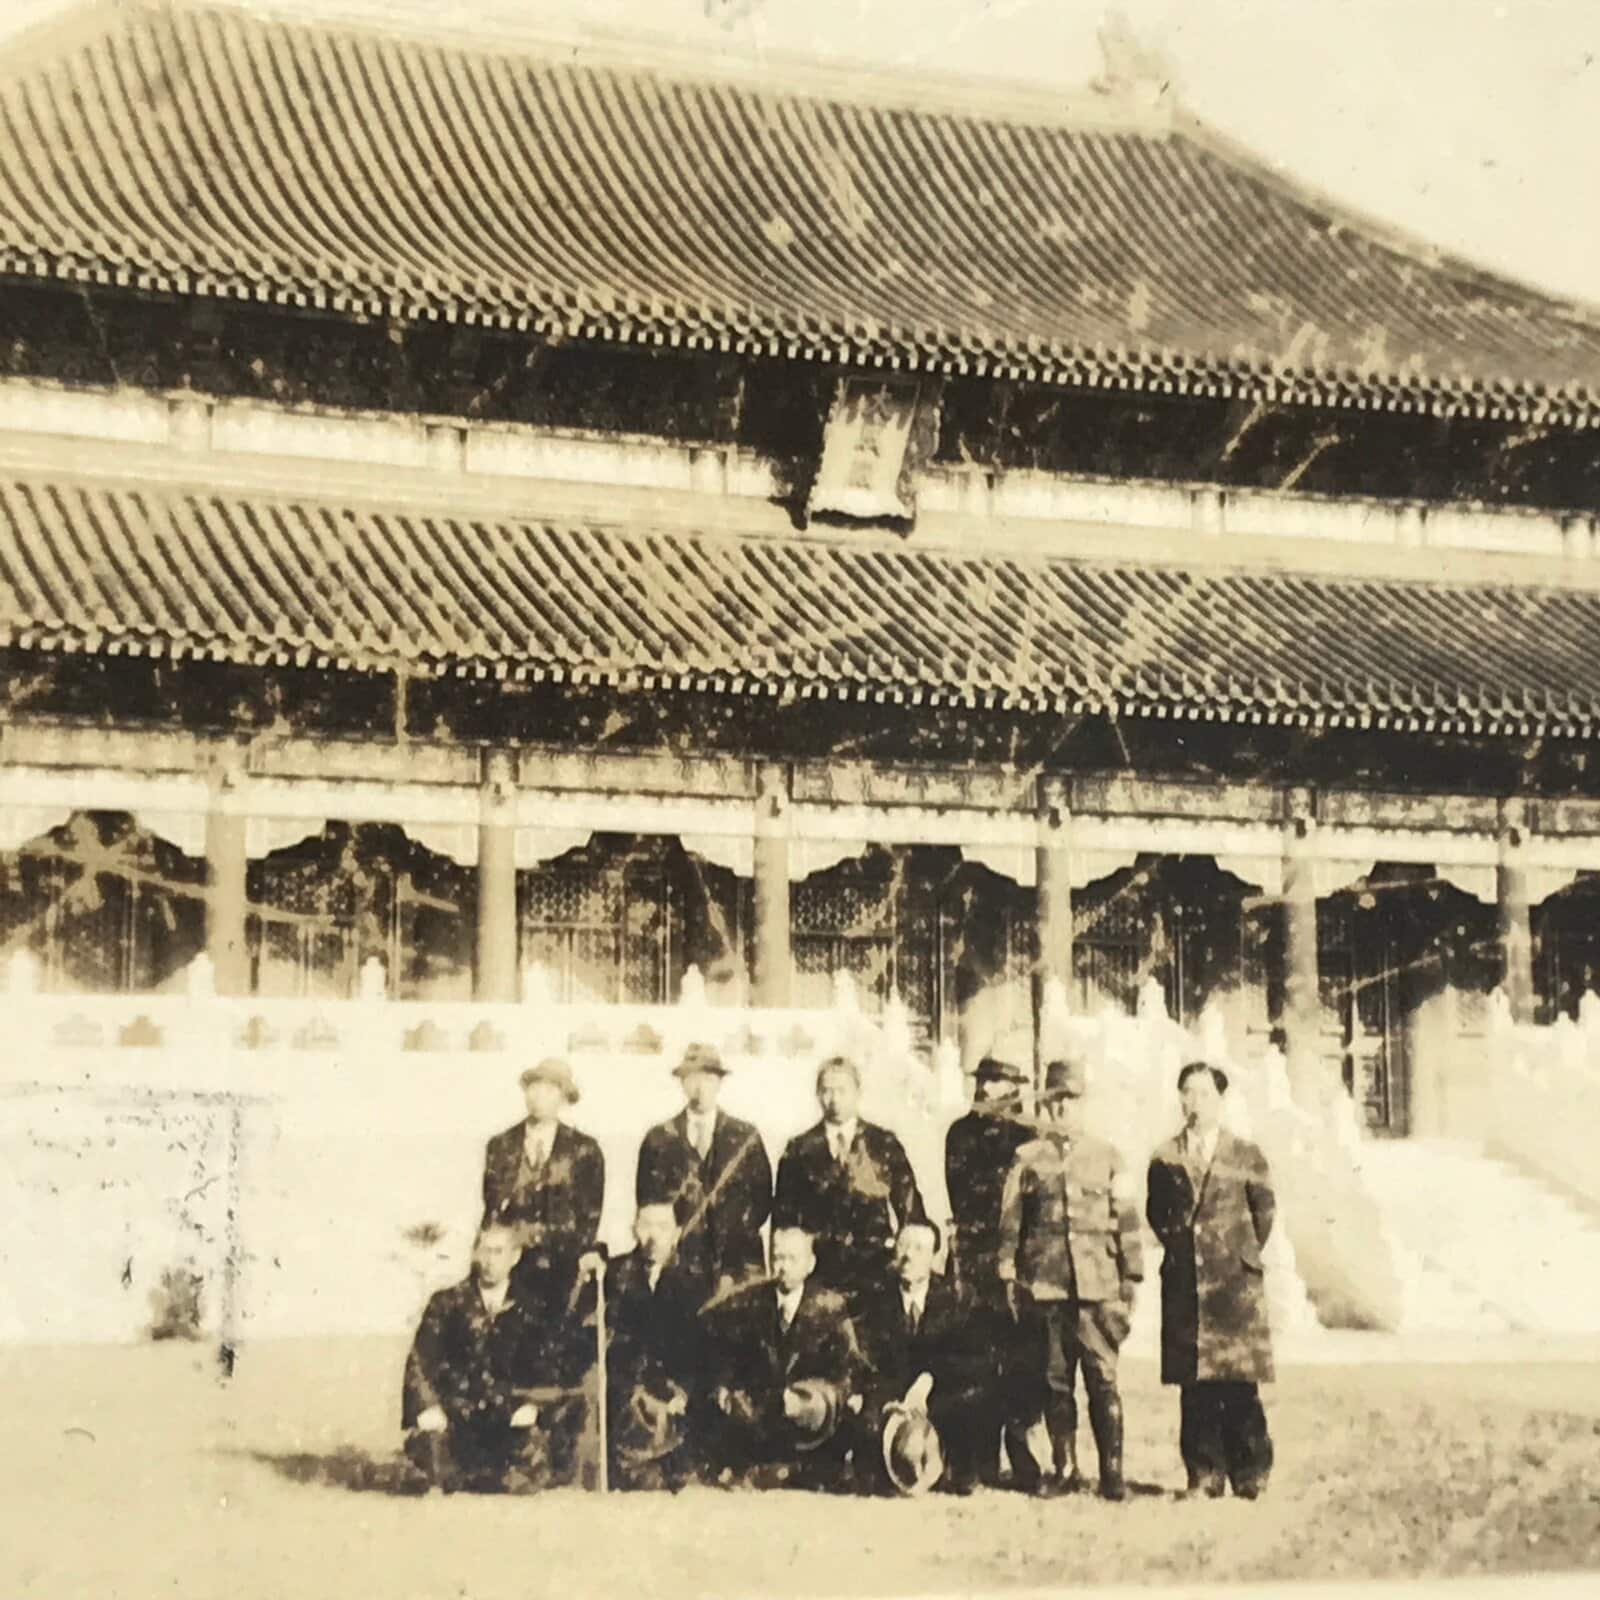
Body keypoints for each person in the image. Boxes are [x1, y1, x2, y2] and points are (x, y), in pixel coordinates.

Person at [998, 1056, 1144, 1500]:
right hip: (1047, 1287)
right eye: (1056, 1101)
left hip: (1098, 1290)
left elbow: (1129, 1221)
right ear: (1046, 1105)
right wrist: (1008, 1272)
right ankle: (1065, 1468)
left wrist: (1130, 1278)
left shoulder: (1109, 1156)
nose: (1064, 1110)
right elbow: (1010, 1222)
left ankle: (1112, 1472)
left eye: (1072, 1100)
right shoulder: (1026, 1159)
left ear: (1084, 1102)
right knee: (1055, 1383)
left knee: (1103, 1379)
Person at [1146, 1061, 1276, 1500]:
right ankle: (1204, 1473)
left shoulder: (1247, 1154)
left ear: (1220, 1100)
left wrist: (1235, 1254)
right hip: (1186, 1282)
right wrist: (1186, 1251)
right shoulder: (1164, 1156)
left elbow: (1263, 1214)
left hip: (1234, 1286)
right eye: (1188, 1093)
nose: (1195, 1102)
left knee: (1239, 1382)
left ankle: (1250, 1471)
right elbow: (1156, 1214)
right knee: (1196, 1385)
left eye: (1204, 1093)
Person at [400, 1222, 586, 1492]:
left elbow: (549, 1368)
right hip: (457, 1417)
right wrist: (427, 1407)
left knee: (527, 1466)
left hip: (508, 1420)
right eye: (483, 1251)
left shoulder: (533, 1308)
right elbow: (421, 1359)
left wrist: (533, 1405)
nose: (488, 1261)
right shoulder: (447, 1303)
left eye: (498, 1252)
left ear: (515, 1257)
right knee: (431, 1465)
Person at [701, 1226, 863, 1489]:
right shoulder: (752, 1303)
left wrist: (818, 1401)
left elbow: (848, 1370)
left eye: (792, 1259)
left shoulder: (830, 1306)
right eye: (778, 1257)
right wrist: (724, 1386)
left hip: (812, 1426)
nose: (783, 1266)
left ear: (810, 1264)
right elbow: (729, 1356)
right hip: (762, 1420)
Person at [944, 1053, 1039, 1490]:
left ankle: (1020, 1455)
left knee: (1019, 1360)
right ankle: (976, 1459)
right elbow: (960, 1193)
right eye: (982, 1081)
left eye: (996, 1082)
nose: (986, 1089)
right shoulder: (960, 1134)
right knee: (973, 1359)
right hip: (972, 1259)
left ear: (1014, 1088)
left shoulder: (1030, 1138)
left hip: (1017, 1263)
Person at [855, 1220, 992, 1496]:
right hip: (892, 1400)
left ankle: (950, 1465)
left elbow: (974, 1361)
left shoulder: (957, 1298)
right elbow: (866, 1359)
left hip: (940, 1396)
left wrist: (928, 1382)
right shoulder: (875, 1299)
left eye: (919, 1248)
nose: (909, 1255)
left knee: (972, 1399)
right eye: (904, 1246)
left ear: (934, 1257)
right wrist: (892, 1401)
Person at [773, 1057, 925, 1300]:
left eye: (842, 1090)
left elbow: (910, 1212)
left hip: (875, 1274)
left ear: (858, 1092)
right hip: (819, 1276)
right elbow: (784, 1221)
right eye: (826, 1091)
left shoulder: (883, 1144)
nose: (834, 1100)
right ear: (817, 1094)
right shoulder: (799, 1150)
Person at [635, 1043, 772, 1300]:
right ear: (682, 1083)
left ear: (719, 1082)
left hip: (737, 1267)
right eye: (692, 1078)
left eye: (708, 1078)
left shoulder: (745, 1137)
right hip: (679, 1269)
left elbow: (761, 1204)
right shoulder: (658, 1140)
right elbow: (648, 1206)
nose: (700, 1087)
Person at [594, 1202, 704, 1491]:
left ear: (677, 1233)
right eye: (646, 1226)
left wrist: (683, 1391)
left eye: (663, 1227)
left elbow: (700, 1349)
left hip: (677, 1391)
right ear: (634, 1229)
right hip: (631, 1392)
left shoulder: (694, 1280)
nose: (653, 1236)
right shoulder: (614, 1275)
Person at [482, 1059, 606, 1303]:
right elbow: (492, 1209)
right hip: (512, 1270)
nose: (539, 1096)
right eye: (533, 1088)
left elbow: (589, 1219)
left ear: (563, 1097)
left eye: (550, 1089)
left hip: (563, 1271)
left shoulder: (585, 1150)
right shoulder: (501, 1146)